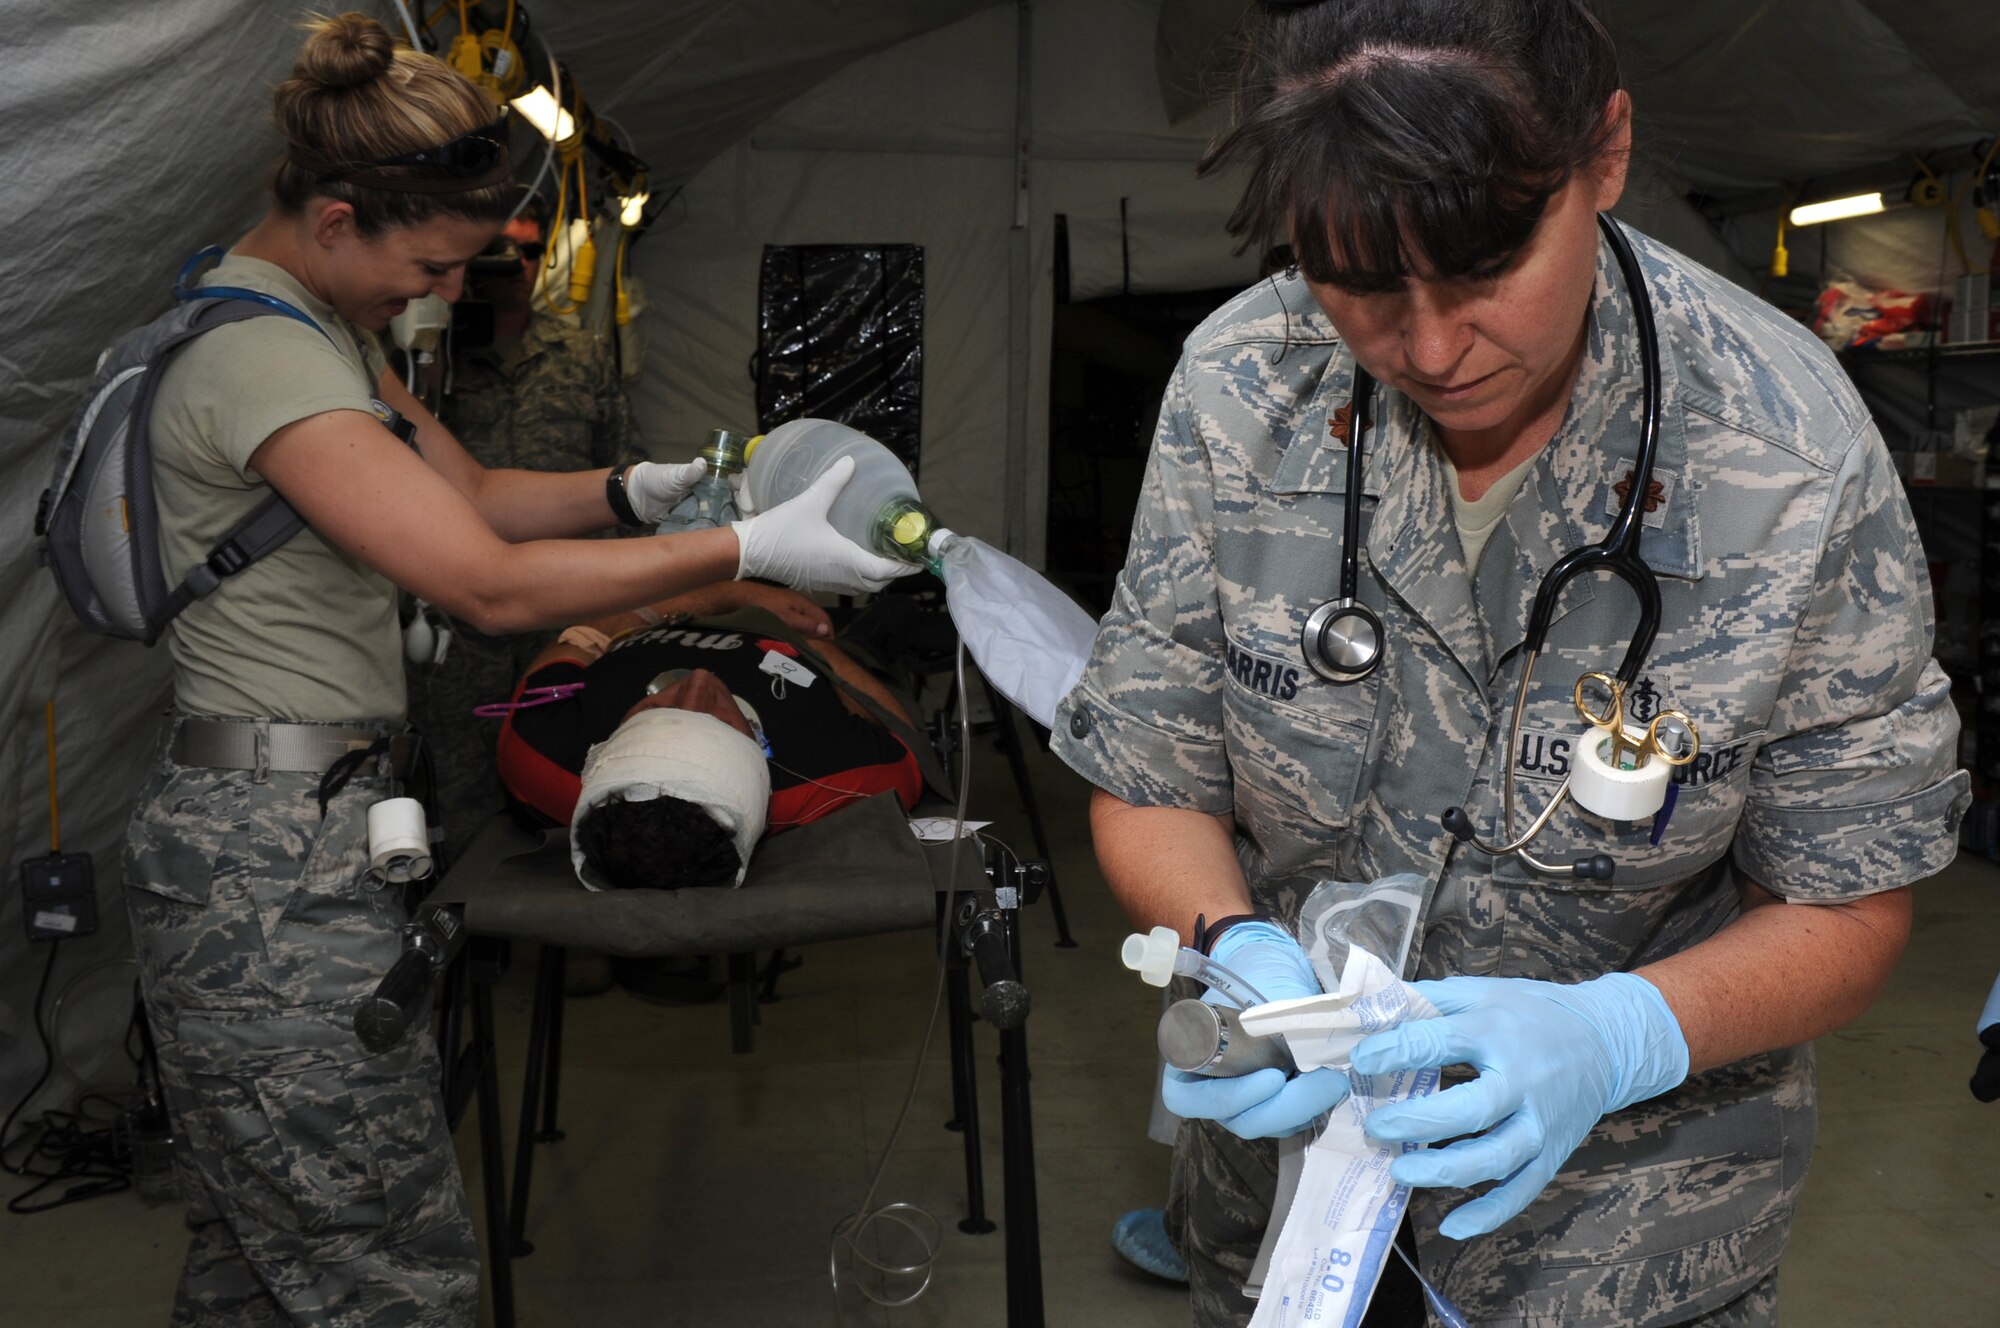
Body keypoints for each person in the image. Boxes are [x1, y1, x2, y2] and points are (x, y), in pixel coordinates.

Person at [1048, 3, 1968, 1326]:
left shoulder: (1785, 455)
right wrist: (1230, 942)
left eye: (1484, 267)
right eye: (1357, 279)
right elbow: (1152, 776)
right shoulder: (1241, 390)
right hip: (1286, 1207)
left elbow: (1849, 905)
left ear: (1606, 153)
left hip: (1621, 1241)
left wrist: (1617, 1035)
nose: (1428, 349)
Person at [120, 14, 906, 1326]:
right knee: (385, 1273)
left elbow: (475, 495)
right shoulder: (262, 356)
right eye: (428, 264)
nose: (437, 294)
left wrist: (638, 488)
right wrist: (739, 550)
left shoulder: (318, 333)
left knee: (257, 1268)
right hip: (260, 864)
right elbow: (481, 581)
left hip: (305, 829)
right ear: (334, 219)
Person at [403, 195, 652, 866]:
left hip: (567, 606)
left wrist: (636, 609)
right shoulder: (428, 357)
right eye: (498, 249)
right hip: (460, 611)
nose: (515, 265)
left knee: (571, 756)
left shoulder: (580, 354)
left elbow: (627, 477)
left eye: (530, 249)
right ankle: (467, 907)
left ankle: (570, 901)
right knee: (458, 771)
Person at [494, 580, 926, 888]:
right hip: (803, 645)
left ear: (603, 753)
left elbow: (580, 639)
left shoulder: (539, 750)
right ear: (757, 763)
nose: (698, 680)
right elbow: (906, 737)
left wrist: (724, 596)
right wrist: (809, 649)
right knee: (889, 621)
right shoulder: (826, 782)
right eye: (723, 721)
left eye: (655, 712)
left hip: (667, 608)